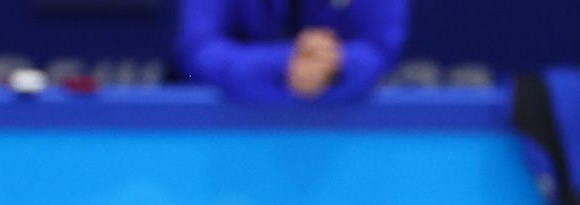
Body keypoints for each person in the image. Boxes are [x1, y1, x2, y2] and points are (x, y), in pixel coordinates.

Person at [175, 0, 410, 102]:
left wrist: (336, 64)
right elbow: (199, 48)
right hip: (230, 140)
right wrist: (284, 64)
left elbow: (381, 47)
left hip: (351, 141)